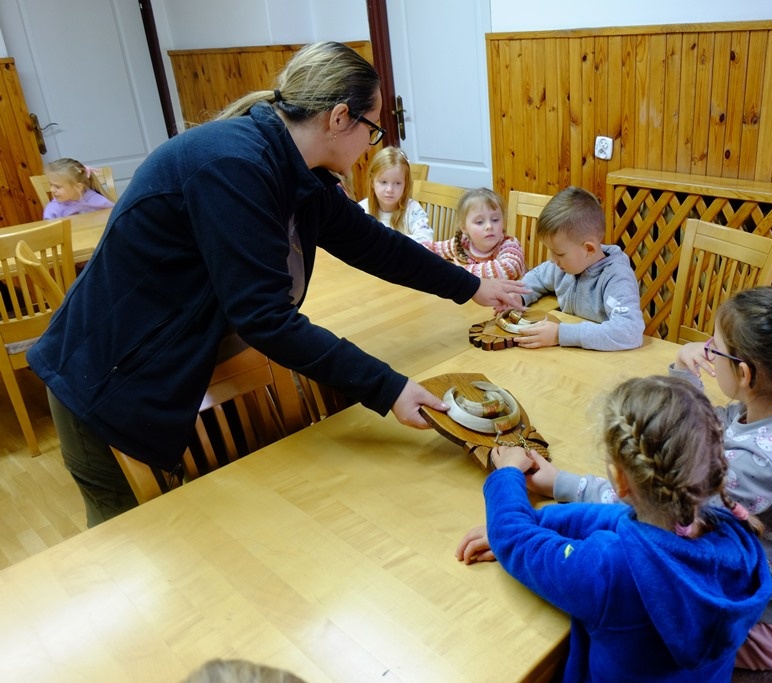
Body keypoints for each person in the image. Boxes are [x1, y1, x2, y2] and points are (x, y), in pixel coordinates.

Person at [27, 41, 527, 527]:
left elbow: (373, 243)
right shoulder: (235, 166)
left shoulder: (297, 169)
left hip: (167, 370)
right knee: (132, 542)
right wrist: (389, 387)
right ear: (339, 119)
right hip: (103, 379)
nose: (370, 146)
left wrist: (470, 286)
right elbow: (265, 319)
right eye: (371, 130)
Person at [514, 286, 772, 671]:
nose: (706, 350)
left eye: (716, 347)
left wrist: (559, 484)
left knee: (619, 603)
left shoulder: (753, 466)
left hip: (770, 627)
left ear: (744, 374)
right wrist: (684, 369)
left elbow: (658, 499)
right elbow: (699, 429)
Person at [456, 376, 772, 683]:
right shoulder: (736, 537)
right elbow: (616, 518)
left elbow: (515, 541)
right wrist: (535, 522)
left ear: (620, 481)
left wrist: (509, 473)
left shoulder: (610, 572)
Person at [510, 186, 643, 350]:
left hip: (605, 360)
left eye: (558, 253)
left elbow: (629, 331)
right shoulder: (563, 266)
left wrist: (560, 334)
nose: (552, 260)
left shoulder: (617, 277)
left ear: (589, 249)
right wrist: (518, 296)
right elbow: (538, 277)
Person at [423, 188, 525, 279]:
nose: (489, 226)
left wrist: (462, 271)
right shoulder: (463, 244)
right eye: (479, 222)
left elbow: (508, 269)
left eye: (495, 219)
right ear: (464, 228)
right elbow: (428, 249)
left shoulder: (509, 246)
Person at [358, 146, 432, 242]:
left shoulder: (412, 209)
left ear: (405, 184)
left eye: (397, 183)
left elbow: (426, 239)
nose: (390, 189)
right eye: (383, 182)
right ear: (372, 182)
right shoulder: (362, 209)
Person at [41, 157, 115, 219]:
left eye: (58, 187)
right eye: (51, 185)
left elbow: (116, 217)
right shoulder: (53, 209)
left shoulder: (97, 200)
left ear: (78, 187)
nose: (52, 190)